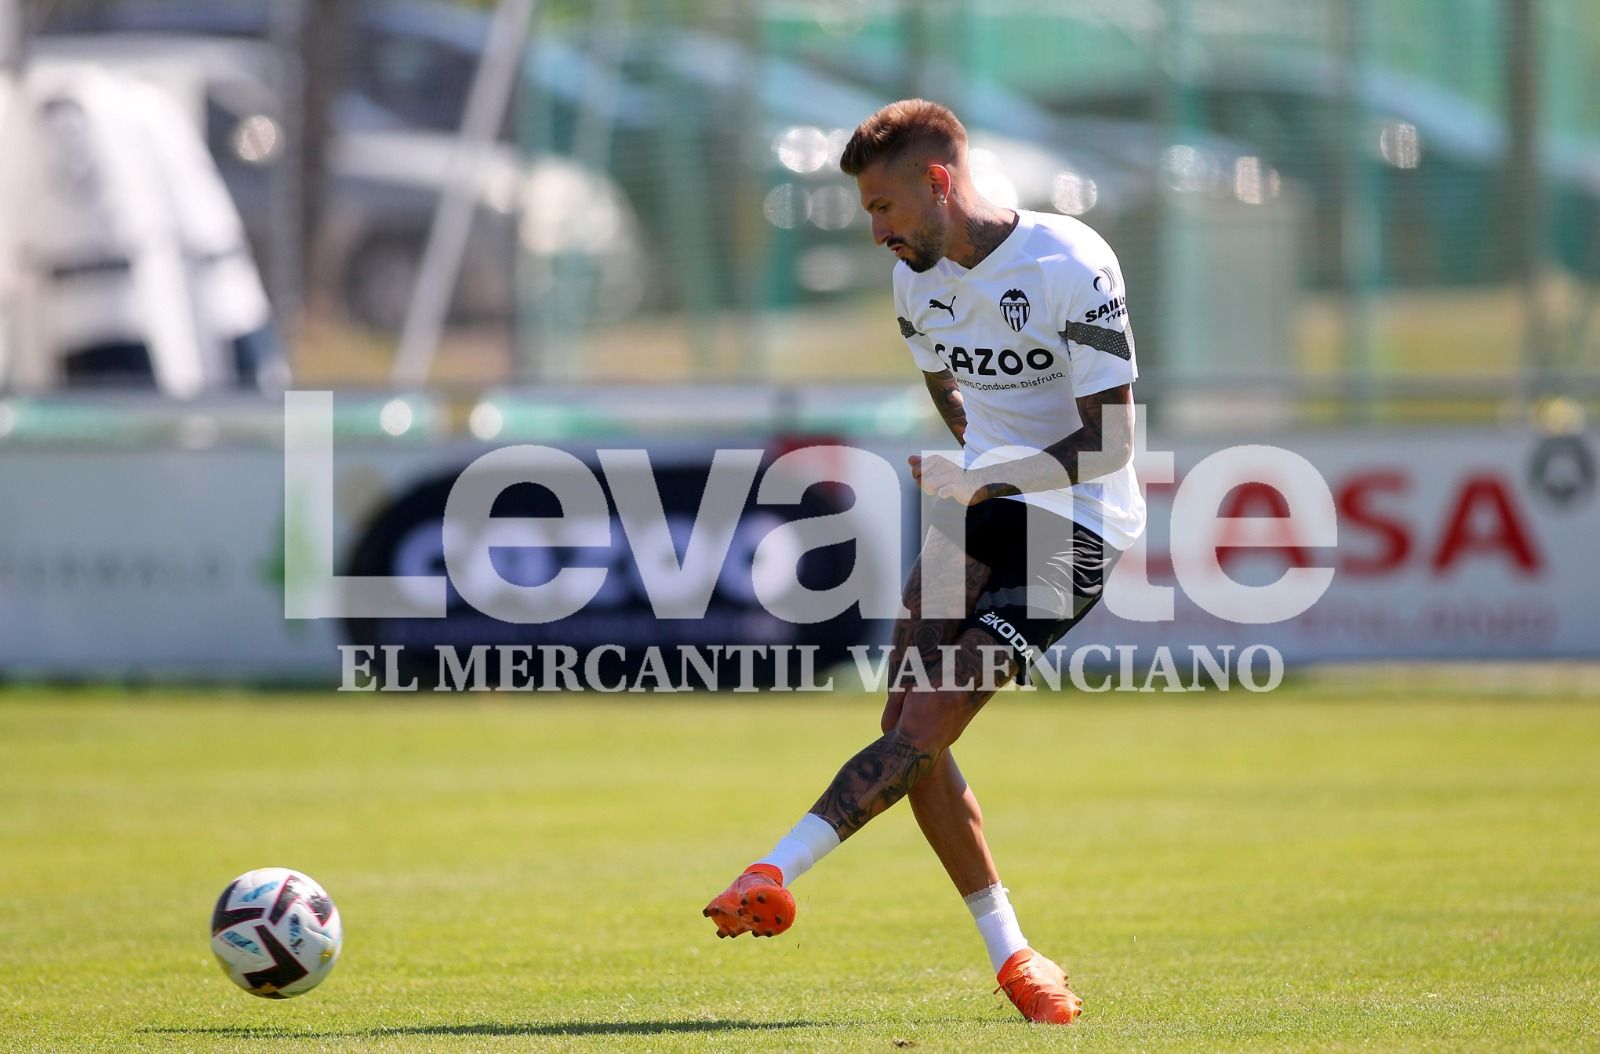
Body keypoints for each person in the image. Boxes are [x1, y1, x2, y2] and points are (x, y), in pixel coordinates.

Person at [703, 99, 1145, 1025]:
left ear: (937, 181)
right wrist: (974, 468)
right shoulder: (917, 280)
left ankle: (771, 871)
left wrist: (996, 475)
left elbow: (1110, 443)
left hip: (1078, 523)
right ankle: (1015, 954)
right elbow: (945, 385)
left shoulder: (1073, 261)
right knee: (906, 725)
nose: (876, 234)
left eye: (882, 208)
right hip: (979, 509)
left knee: (925, 724)